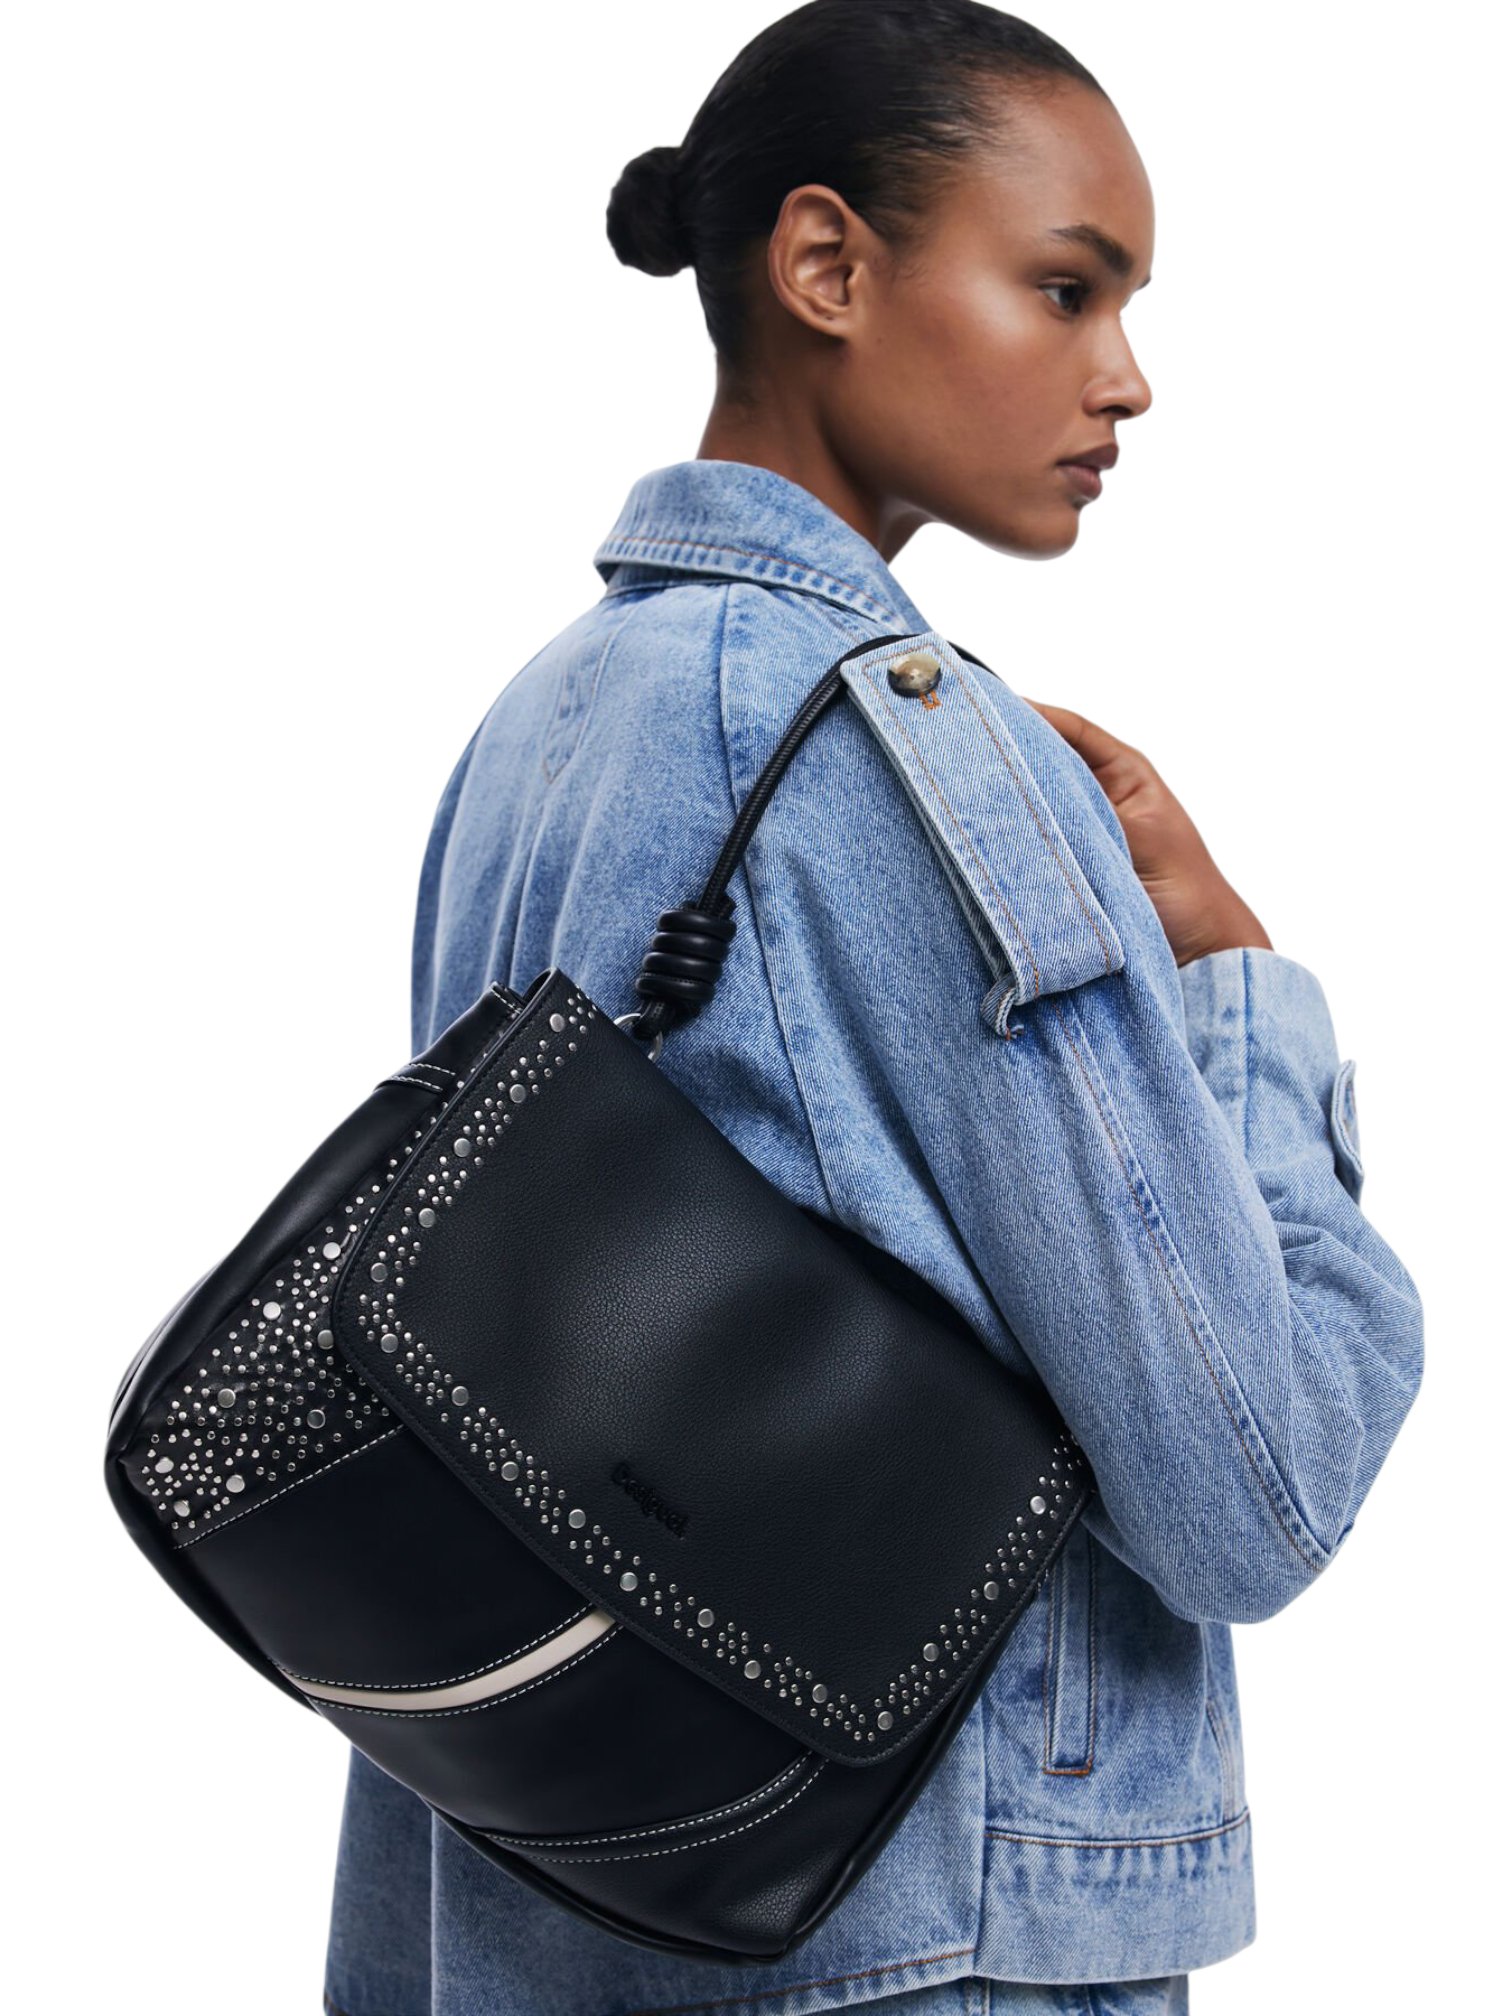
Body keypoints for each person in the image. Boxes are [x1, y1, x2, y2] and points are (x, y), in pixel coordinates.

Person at [321, 4, 1425, 2012]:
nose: (1129, 376)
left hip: (554, 1881)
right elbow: (1250, 1491)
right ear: (826, 266)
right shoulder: (919, 754)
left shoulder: (545, 724)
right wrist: (1238, 983)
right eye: (1068, 288)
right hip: (915, 1927)